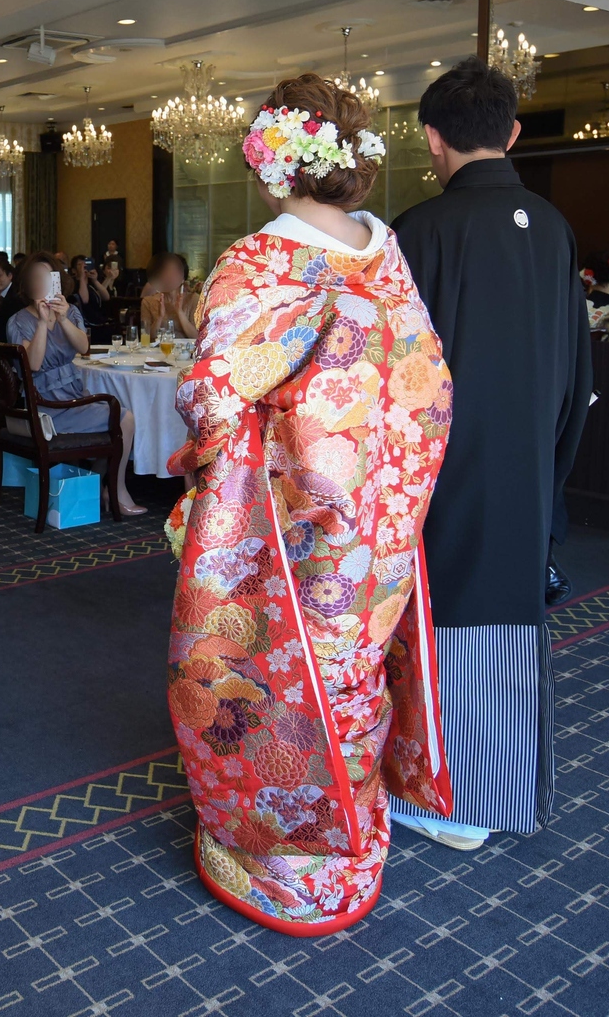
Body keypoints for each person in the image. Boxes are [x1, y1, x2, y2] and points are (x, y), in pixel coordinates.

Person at [168, 72, 451, 934]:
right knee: (355, 668)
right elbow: (422, 380)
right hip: (385, 511)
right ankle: (355, 842)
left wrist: (207, 475)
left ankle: (285, 863)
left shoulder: (262, 262)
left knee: (277, 677)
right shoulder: (386, 252)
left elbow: (215, 396)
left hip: (293, 521)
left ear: (268, 168)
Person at [388, 55, 591, 853]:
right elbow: (578, 366)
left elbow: (393, 373)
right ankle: (492, 787)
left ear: (432, 140)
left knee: (442, 622)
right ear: (510, 133)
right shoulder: (552, 226)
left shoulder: (420, 229)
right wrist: (553, 469)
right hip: (528, 460)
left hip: (442, 469)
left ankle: (450, 799)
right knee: (504, 621)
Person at [5, 256, 144, 515]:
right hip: (45, 407)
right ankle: (114, 489)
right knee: (124, 419)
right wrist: (42, 323)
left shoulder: (71, 311)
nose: (43, 284)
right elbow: (33, 364)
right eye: (37, 279)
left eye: (49, 278)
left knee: (122, 417)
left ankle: (103, 482)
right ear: (27, 285)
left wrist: (63, 318)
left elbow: (83, 347)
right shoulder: (17, 322)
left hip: (73, 396)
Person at [140, 252, 199, 341]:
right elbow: (146, 338)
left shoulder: (193, 299)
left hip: (186, 352)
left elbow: (196, 336)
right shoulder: (148, 302)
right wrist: (159, 317)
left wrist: (180, 313)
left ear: (183, 278)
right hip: (158, 351)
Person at [69, 254, 111, 328]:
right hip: (87, 324)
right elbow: (84, 300)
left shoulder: (91, 285)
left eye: (85, 264)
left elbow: (106, 297)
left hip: (100, 321)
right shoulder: (73, 285)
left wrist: (95, 281)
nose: (84, 266)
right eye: (80, 265)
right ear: (73, 270)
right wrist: (82, 277)